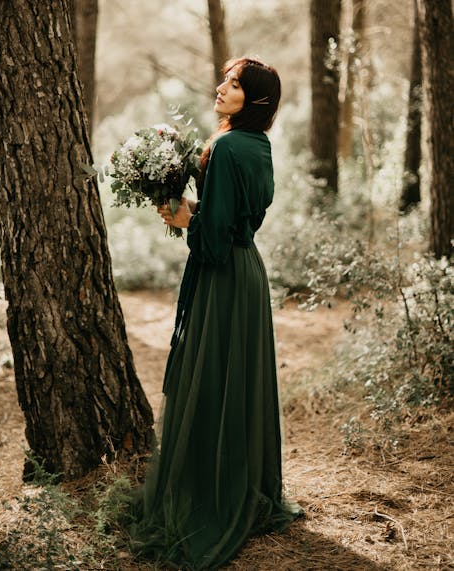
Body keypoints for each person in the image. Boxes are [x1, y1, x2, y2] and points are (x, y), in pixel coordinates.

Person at [128, 57, 303, 569]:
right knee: (233, 380)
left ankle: (212, 494)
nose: (222, 88)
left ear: (257, 101)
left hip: (223, 277)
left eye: (236, 85)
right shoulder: (257, 145)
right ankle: (243, 482)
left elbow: (213, 241)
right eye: (225, 80)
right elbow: (239, 221)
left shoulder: (226, 147)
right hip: (248, 274)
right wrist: (197, 213)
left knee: (212, 376)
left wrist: (186, 217)